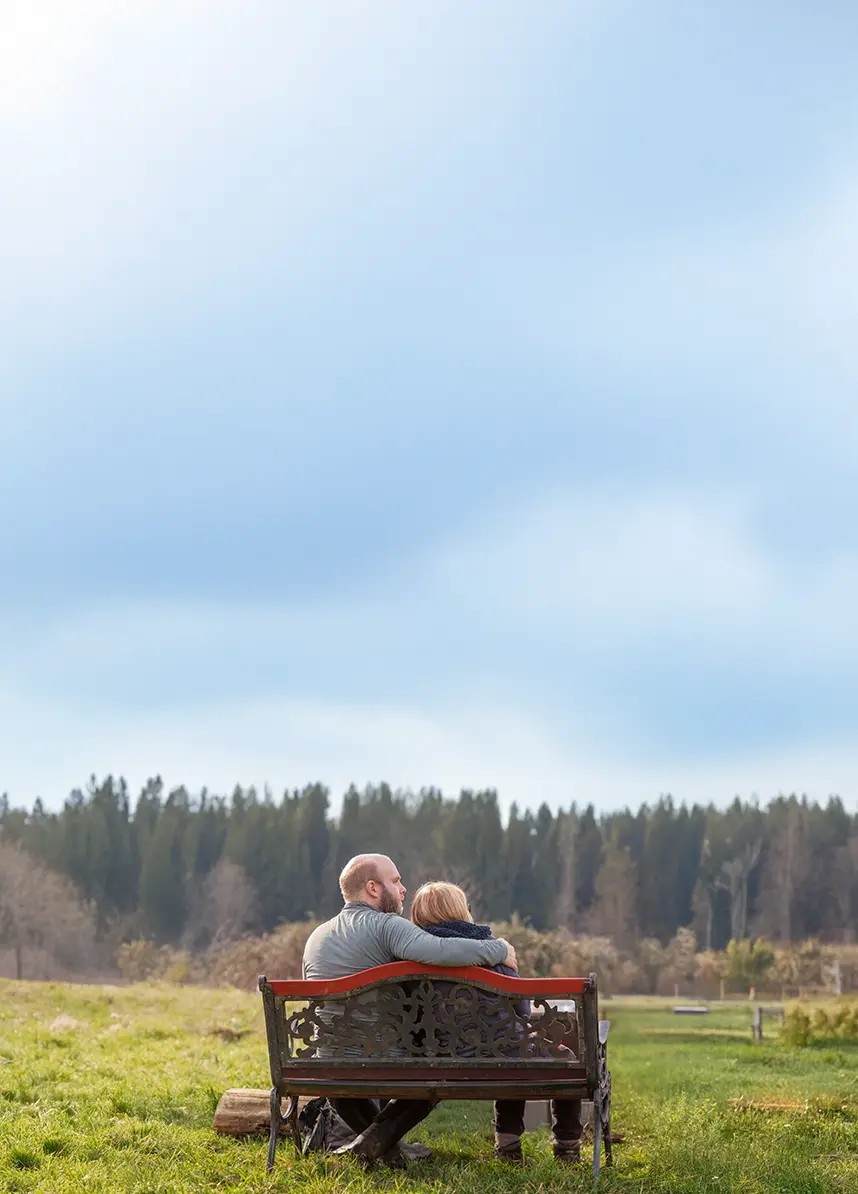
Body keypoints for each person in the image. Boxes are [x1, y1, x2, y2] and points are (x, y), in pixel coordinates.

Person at [301, 854, 518, 1167]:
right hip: (381, 1056)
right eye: (396, 881)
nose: (403, 889)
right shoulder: (388, 927)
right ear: (373, 888)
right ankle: (379, 1146)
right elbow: (442, 950)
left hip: (328, 1060)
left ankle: (380, 1149)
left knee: (343, 1083)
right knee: (431, 1074)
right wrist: (498, 949)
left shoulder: (316, 937)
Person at [411, 880, 583, 1165]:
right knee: (560, 1058)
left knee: (510, 1049)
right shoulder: (491, 953)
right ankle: (565, 1148)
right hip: (504, 1056)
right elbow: (523, 1010)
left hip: (442, 1058)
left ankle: (508, 1150)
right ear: (460, 911)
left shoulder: (412, 958)